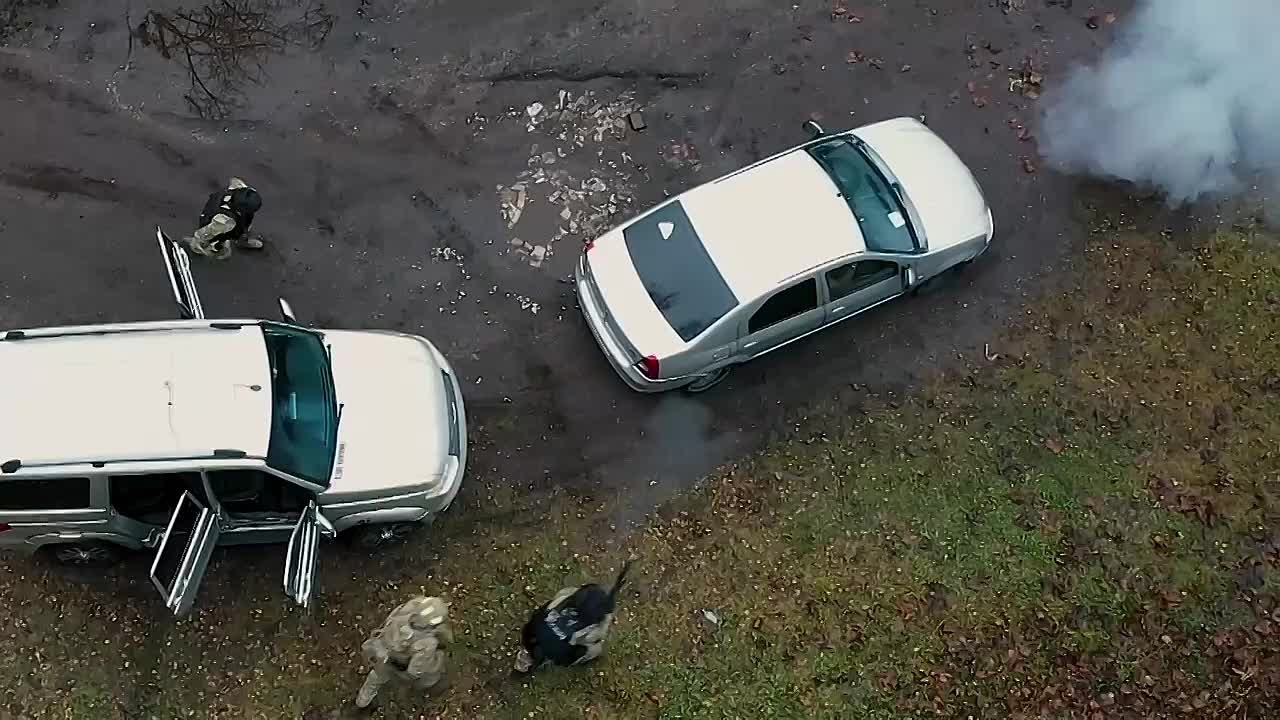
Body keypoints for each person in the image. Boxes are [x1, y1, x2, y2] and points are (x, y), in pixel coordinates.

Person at [514, 561, 633, 674]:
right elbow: (598, 636)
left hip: (530, 633)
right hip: (555, 653)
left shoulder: (564, 598)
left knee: (544, 629)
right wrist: (607, 618)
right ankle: (545, 660)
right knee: (596, 649)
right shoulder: (589, 628)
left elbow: (556, 601)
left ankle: (528, 655)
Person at [355, 596, 452, 710]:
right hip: (392, 663)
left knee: (374, 679)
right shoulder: (427, 643)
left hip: (379, 649)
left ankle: (361, 701)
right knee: (431, 672)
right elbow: (414, 671)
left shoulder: (406, 610)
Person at [185, 177, 264, 259]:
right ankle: (200, 250)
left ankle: (242, 240)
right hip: (218, 222)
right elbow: (206, 232)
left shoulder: (240, 189)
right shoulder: (224, 221)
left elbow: (234, 180)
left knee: (244, 228)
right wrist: (197, 243)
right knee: (220, 244)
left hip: (232, 217)